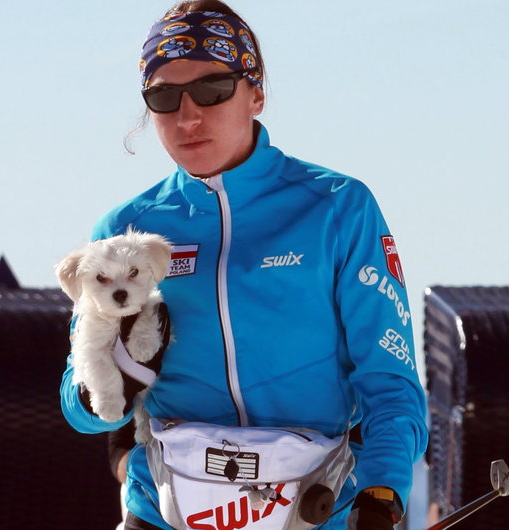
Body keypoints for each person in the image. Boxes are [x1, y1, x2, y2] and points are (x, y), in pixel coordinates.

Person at [60, 2, 428, 528]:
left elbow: (390, 381)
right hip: (167, 510)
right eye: (164, 97)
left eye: (212, 90)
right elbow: (80, 407)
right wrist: (112, 382)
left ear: (255, 94)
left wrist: (381, 494)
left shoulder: (338, 207)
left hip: (315, 507)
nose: (188, 117)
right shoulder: (126, 231)